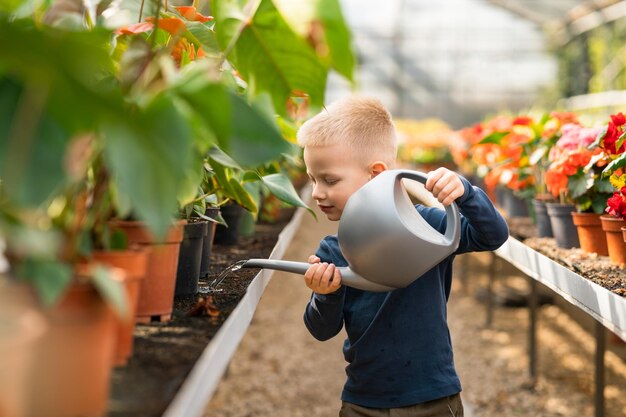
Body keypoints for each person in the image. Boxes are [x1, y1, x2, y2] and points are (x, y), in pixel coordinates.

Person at [296, 96, 509, 417]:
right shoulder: (332, 250)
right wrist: (325, 295)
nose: (316, 192)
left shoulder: (428, 225)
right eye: (313, 179)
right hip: (364, 399)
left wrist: (465, 192)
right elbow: (321, 329)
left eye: (329, 180)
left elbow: (492, 235)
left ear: (376, 174)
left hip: (434, 396)